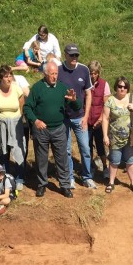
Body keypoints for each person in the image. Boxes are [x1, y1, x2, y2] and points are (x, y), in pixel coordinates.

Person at [24, 60, 75, 198]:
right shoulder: (37, 88)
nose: (54, 76)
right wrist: (35, 120)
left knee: (62, 158)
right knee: (41, 158)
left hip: (59, 128)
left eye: (56, 73)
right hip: (41, 129)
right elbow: (27, 107)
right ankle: (41, 185)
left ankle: (65, 185)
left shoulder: (62, 88)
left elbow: (76, 107)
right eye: (52, 74)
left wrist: (74, 100)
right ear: (45, 74)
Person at [57, 45, 96, 188]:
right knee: (66, 149)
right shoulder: (59, 70)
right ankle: (70, 177)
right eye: (72, 55)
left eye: (76, 55)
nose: (74, 58)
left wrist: (86, 117)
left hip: (79, 117)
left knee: (85, 147)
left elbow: (88, 94)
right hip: (63, 118)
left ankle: (87, 177)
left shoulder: (83, 69)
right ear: (65, 55)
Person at [101, 76, 133, 194]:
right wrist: (105, 136)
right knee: (114, 161)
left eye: (125, 87)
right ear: (116, 87)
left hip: (130, 137)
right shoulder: (110, 100)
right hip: (114, 137)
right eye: (120, 86)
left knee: (130, 160)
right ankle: (111, 182)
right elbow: (105, 118)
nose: (122, 89)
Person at [0, 64, 27, 192]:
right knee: (2, 151)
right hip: (1, 123)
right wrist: (1, 118)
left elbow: (21, 104)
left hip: (15, 123)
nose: (9, 79)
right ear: (0, 78)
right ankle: (4, 177)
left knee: (18, 150)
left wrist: (17, 118)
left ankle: (20, 178)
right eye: (6, 76)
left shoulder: (16, 89)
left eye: (10, 76)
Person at [87, 61, 110, 176]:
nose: (93, 76)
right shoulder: (85, 84)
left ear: (98, 73)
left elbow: (106, 105)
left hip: (99, 122)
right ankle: (90, 167)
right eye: (91, 73)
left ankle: (105, 167)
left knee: (100, 146)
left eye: (95, 73)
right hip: (87, 121)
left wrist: (101, 119)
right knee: (88, 146)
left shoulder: (104, 84)